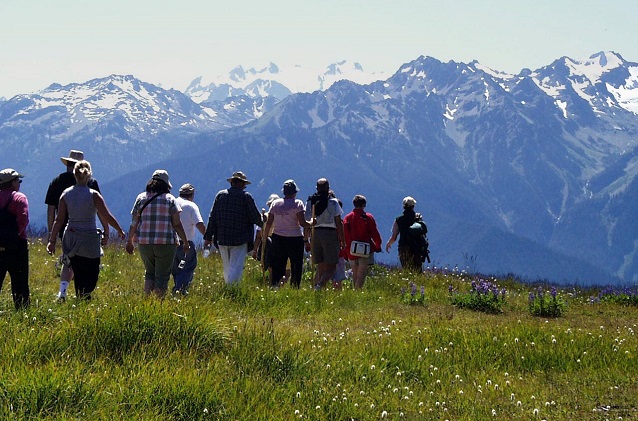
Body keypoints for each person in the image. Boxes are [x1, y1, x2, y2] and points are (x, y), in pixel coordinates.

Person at [46, 161, 126, 300]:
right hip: (89, 238)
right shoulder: (94, 195)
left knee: (75, 266)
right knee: (92, 270)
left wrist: (52, 240)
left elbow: (59, 220)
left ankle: (78, 295)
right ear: (89, 175)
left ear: (75, 175)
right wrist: (118, 229)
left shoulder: (66, 194)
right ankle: (84, 295)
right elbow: (106, 215)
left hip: (71, 236)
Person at [45, 150, 107, 302]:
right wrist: (106, 229)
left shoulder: (57, 181)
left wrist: (51, 233)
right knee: (86, 262)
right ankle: (83, 293)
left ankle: (63, 292)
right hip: (87, 231)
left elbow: (51, 208)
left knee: (69, 261)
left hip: (66, 229)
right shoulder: (91, 183)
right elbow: (100, 209)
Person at [125, 170, 189, 297]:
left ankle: (147, 301)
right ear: (166, 185)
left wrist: (130, 241)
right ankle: (158, 304)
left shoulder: (141, 198)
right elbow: (177, 224)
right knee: (162, 276)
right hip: (165, 243)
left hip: (144, 243)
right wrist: (185, 242)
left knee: (149, 272)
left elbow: (134, 222)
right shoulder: (170, 199)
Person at [204, 171, 264, 285]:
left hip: (222, 238)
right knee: (236, 267)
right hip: (239, 239)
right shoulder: (246, 197)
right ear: (242, 184)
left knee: (227, 268)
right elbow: (255, 218)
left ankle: (228, 288)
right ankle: (232, 291)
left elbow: (213, 217)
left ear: (232, 182)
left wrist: (208, 236)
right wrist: (265, 226)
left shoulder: (220, 195)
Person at [265, 180, 315, 288]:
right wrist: (311, 222)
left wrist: (265, 237)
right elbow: (302, 223)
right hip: (295, 238)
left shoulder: (275, 204)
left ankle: (275, 285)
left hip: (278, 238)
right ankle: (295, 286)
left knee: (278, 263)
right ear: (294, 192)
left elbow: (269, 223)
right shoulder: (298, 203)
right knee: (296, 265)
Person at [304, 178, 345, 289]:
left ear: (317, 188)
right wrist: (342, 240)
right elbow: (338, 222)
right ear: (328, 188)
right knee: (331, 267)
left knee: (320, 266)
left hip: (315, 233)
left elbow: (306, 221)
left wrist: (305, 239)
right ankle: (320, 286)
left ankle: (317, 288)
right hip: (330, 234)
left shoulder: (310, 201)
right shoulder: (333, 202)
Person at [0, 168, 30, 309]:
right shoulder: (19, 198)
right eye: (18, 180)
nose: (20, 183)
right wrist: (13, 237)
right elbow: (23, 220)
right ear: (12, 183)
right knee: (19, 282)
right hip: (17, 246)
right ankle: (22, 311)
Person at [171, 183, 206, 295]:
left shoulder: (173, 202)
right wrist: (208, 236)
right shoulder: (191, 206)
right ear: (192, 195)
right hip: (186, 243)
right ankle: (180, 290)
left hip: (170, 241)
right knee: (188, 266)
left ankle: (176, 289)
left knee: (175, 268)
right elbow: (199, 224)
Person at [343, 194, 383, 289]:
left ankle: (355, 290)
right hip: (365, 249)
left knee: (355, 272)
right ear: (364, 204)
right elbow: (374, 233)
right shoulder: (368, 217)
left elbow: (345, 234)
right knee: (362, 272)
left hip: (351, 249)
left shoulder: (348, 218)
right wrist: (378, 245)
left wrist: (346, 248)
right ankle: (357, 291)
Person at [386, 196, 428, 271]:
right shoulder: (418, 218)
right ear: (413, 206)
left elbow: (394, 237)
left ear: (403, 206)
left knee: (407, 269)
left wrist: (389, 243)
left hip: (404, 247)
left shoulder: (398, 219)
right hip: (417, 247)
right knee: (417, 270)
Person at [252, 194, 280, 282]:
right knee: (274, 263)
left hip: (267, 242)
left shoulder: (264, 218)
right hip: (275, 241)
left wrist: (255, 249)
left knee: (268, 263)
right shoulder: (281, 218)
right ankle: (273, 281)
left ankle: (271, 281)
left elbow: (258, 235)